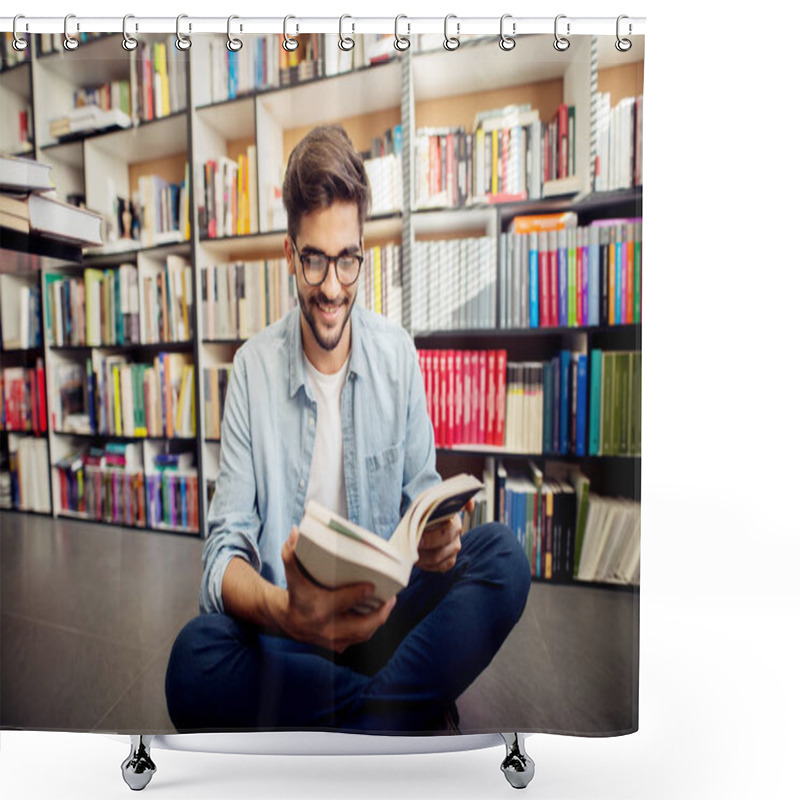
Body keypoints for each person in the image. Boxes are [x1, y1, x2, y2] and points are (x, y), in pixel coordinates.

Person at [165, 124, 531, 734]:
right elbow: (222, 553)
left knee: (502, 558)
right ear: (290, 253)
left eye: (347, 260)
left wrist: (440, 538)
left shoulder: (398, 355)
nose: (332, 287)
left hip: (384, 620)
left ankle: (350, 715)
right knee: (193, 659)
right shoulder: (251, 370)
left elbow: (423, 499)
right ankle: (396, 711)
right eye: (313, 260)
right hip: (294, 630)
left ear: (363, 250)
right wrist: (288, 612)